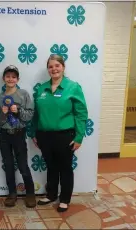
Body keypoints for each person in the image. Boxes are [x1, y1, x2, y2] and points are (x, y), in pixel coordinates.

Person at [31, 54, 88, 212]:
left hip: (65, 136)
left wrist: (78, 137)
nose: (54, 69)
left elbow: (81, 113)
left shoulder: (73, 87)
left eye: (57, 65)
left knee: (65, 168)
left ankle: (64, 199)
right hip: (44, 136)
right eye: (50, 66)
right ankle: (51, 194)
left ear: (63, 67)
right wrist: (34, 133)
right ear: (47, 69)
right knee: (51, 167)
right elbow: (36, 113)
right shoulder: (41, 88)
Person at [0, 65, 36, 208]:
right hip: (4, 136)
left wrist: (18, 111)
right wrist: (3, 113)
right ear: (3, 78)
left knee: (23, 164)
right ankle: (12, 193)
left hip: (19, 134)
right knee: (9, 165)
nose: (10, 79)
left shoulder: (23, 94)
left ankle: (30, 193)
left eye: (13, 76)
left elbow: (29, 116)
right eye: (8, 76)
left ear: (18, 79)